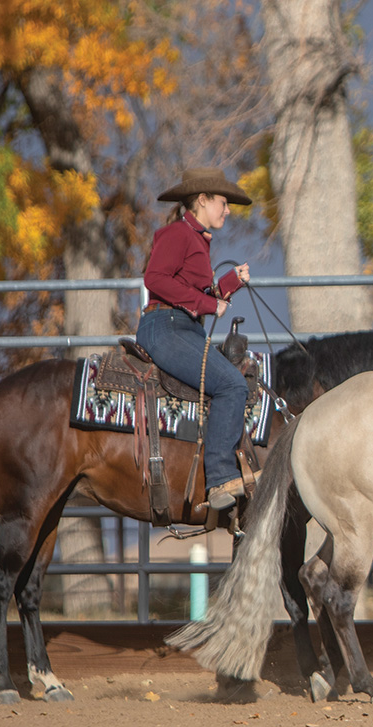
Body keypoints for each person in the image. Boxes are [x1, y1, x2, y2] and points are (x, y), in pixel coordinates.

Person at [136, 167, 254, 511]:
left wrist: (229, 284)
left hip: (180, 326)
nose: (227, 210)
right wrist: (207, 303)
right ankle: (219, 478)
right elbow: (154, 279)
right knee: (233, 385)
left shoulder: (195, 238)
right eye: (223, 202)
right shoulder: (178, 234)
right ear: (202, 200)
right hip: (166, 326)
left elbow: (190, 292)